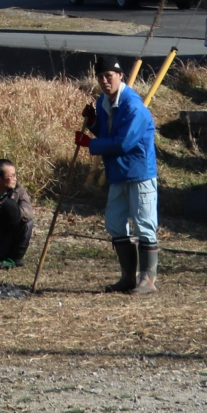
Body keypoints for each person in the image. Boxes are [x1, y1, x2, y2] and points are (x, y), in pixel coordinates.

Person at [76, 53, 158, 294]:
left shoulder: (133, 106)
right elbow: (107, 131)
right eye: (100, 77)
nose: (104, 81)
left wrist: (89, 145)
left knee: (144, 225)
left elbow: (123, 143)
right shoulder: (104, 101)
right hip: (118, 173)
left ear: (120, 75)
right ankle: (128, 278)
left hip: (140, 173)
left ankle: (148, 281)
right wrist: (92, 123)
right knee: (114, 223)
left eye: (108, 76)